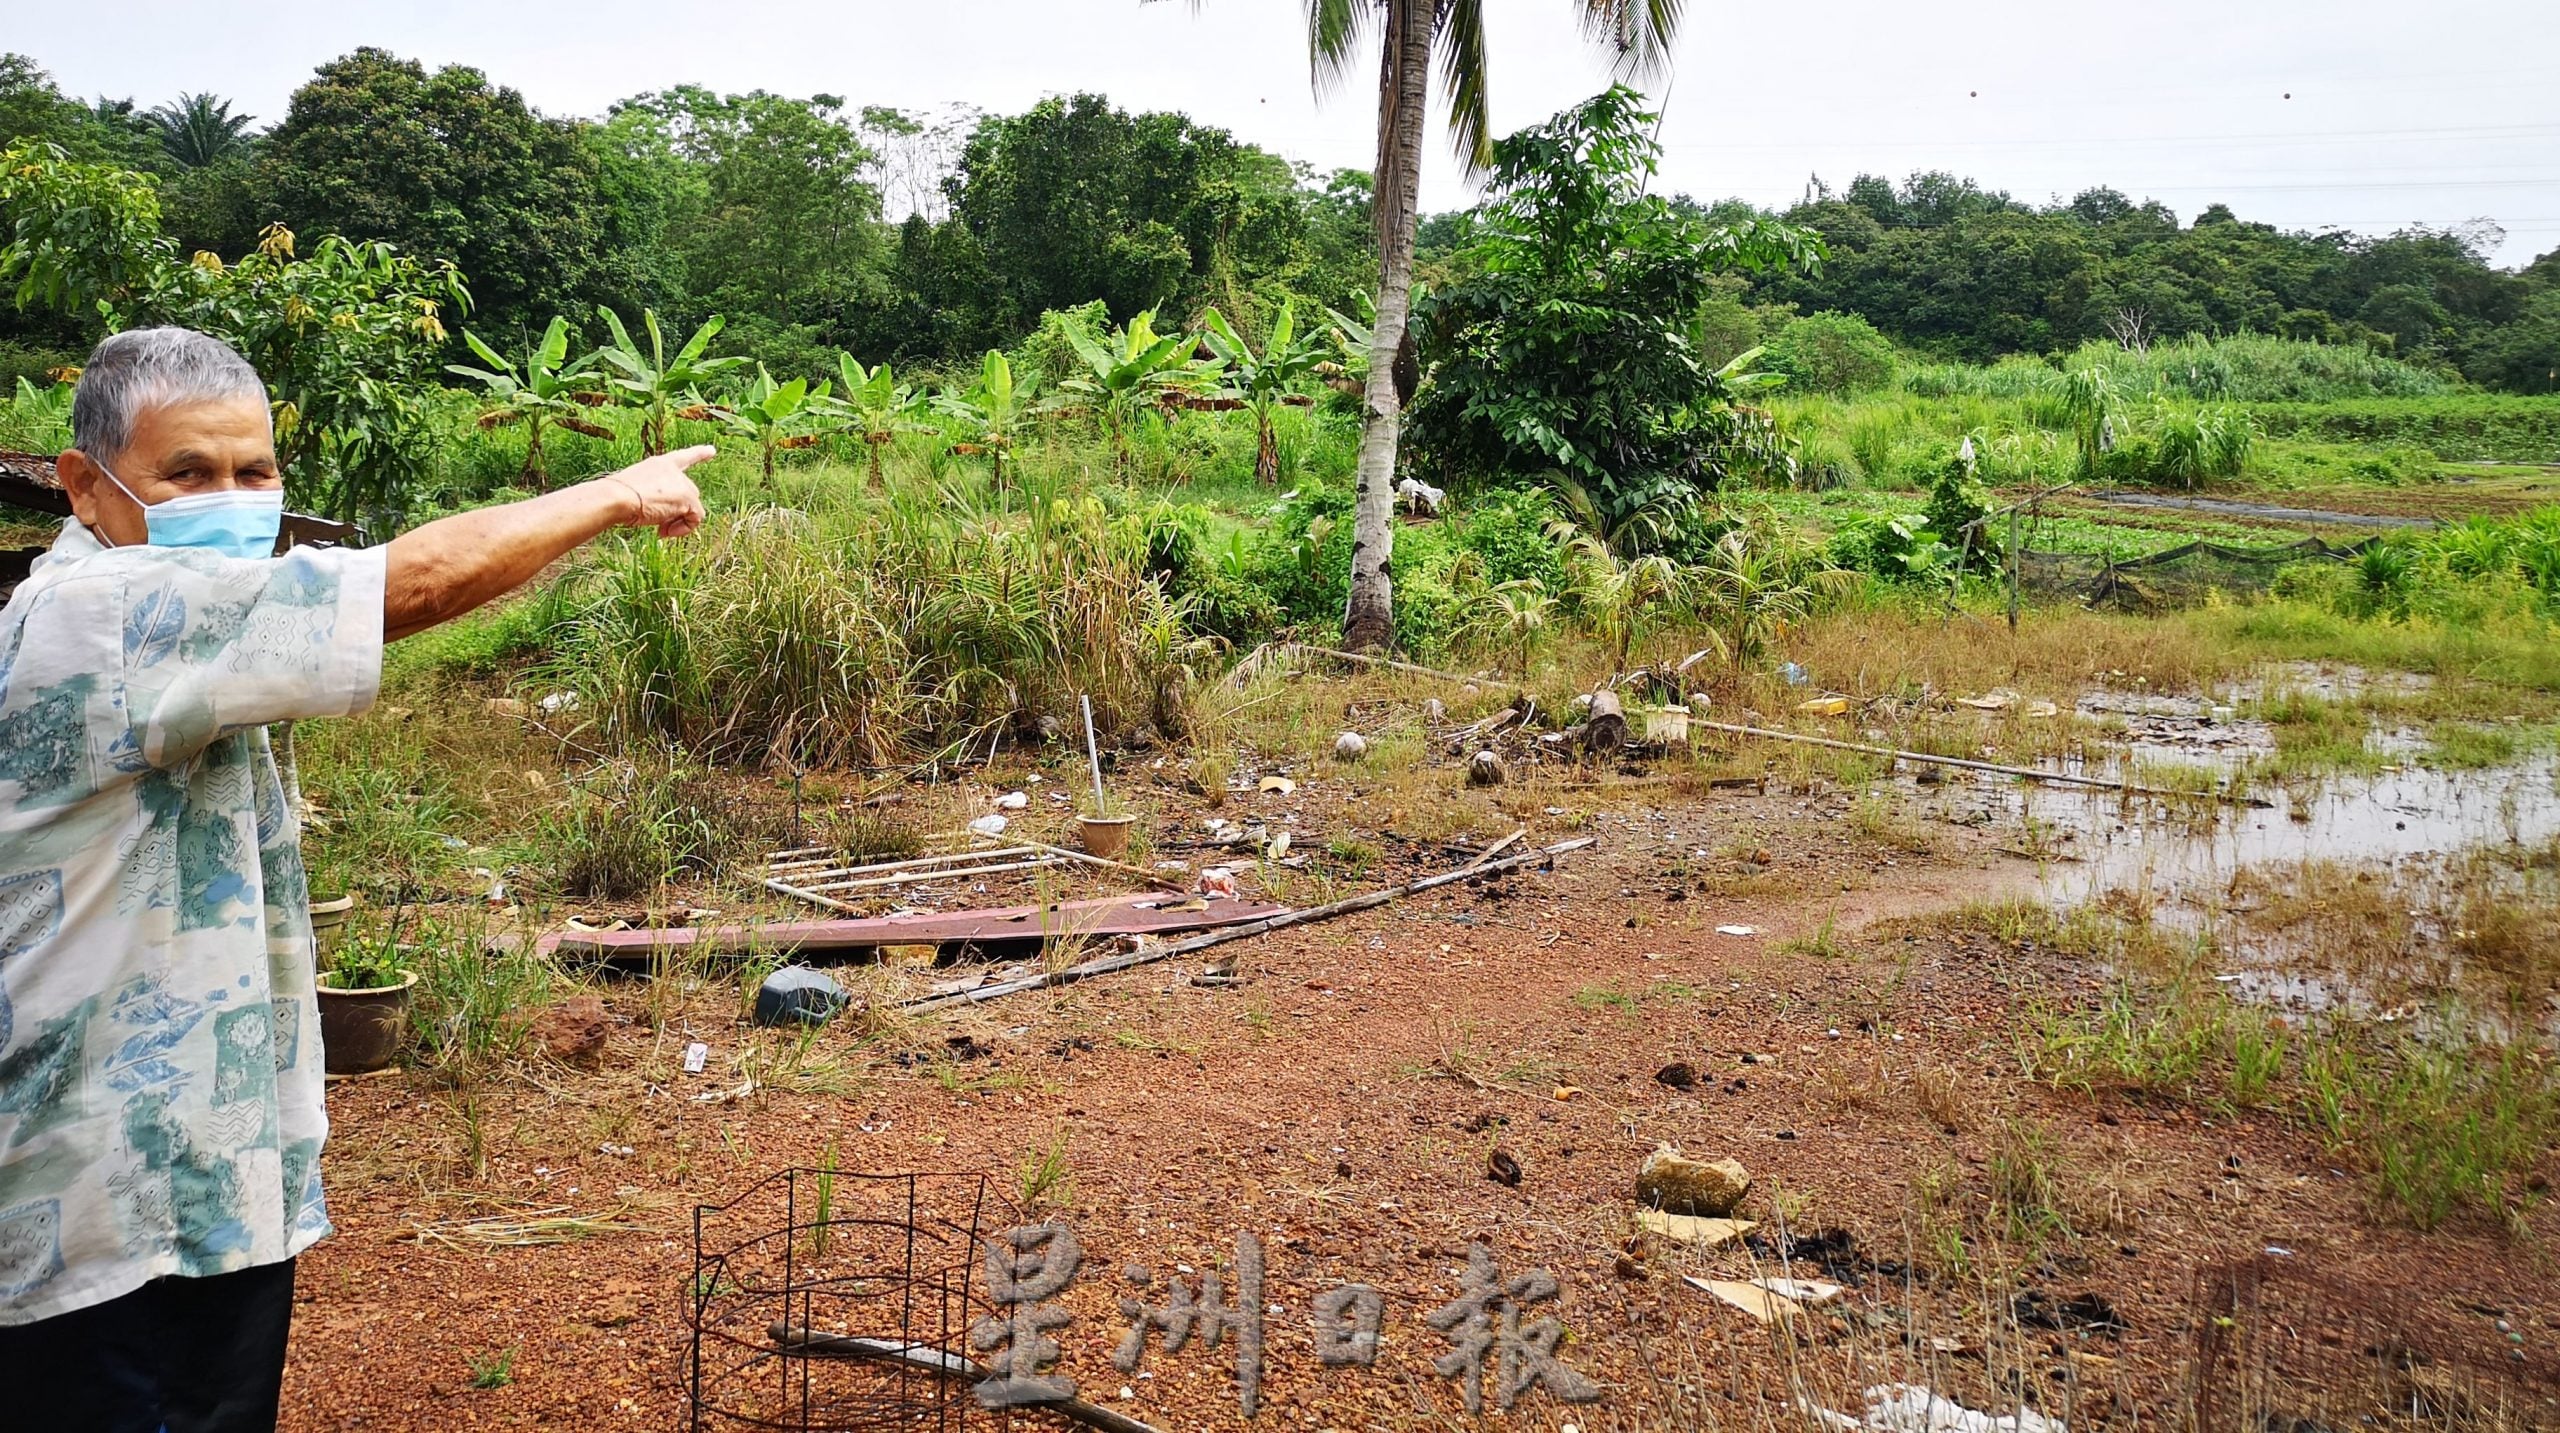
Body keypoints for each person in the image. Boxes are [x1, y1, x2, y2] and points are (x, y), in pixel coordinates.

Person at [0, 327, 711, 1431]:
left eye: (254, 470)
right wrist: (614, 490)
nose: (230, 497)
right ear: (87, 488)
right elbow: (410, 583)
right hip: (103, 1205)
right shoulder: (105, 614)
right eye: (187, 472)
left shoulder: (174, 620)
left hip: (209, 1173)